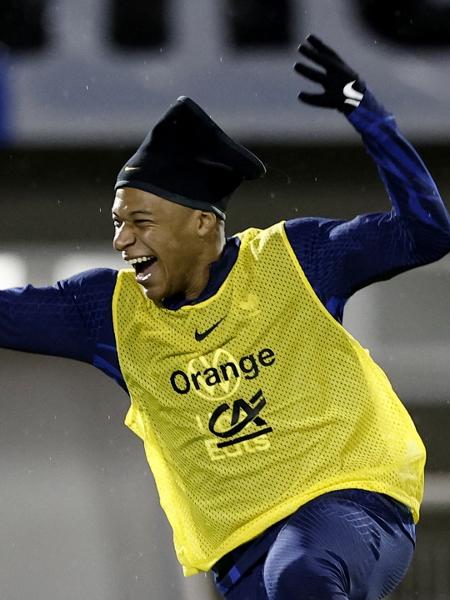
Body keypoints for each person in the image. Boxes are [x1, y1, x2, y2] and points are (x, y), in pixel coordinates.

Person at [1, 34, 450, 600]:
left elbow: (426, 233)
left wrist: (370, 116)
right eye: (117, 222)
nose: (121, 240)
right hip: (239, 554)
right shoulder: (106, 313)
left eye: (140, 221)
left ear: (202, 224)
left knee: (302, 575)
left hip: (352, 504)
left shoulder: (297, 260)